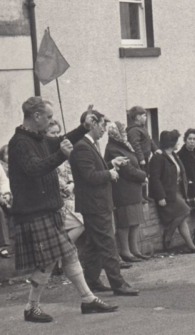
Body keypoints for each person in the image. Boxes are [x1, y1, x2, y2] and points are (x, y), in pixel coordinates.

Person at [8, 97, 117, 322]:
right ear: (36, 116)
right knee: (51, 260)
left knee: (67, 255)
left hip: (46, 209)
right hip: (34, 211)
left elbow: (60, 141)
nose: (50, 121)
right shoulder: (20, 142)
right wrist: (61, 156)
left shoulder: (36, 138)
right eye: (48, 117)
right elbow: (34, 169)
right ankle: (32, 307)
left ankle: (87, 299)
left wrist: (83, 128)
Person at [68, 109, 139, 297]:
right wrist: (110, 173)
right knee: (108, 244)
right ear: (92, 124)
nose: (105, 129)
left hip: (96, 203)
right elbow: (89, 176)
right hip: (95, 204)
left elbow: (92, 171)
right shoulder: (83, 146)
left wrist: (111, 164)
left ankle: (92, 281)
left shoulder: (89, 144)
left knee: (94, 244)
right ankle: (118, 284)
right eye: (102, 124)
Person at [149, 130, 195, 253]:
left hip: (178, 191)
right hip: (168, 193)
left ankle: (191, 246)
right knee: (186, 211)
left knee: (182, 218)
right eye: (176, 141)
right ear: (171, 142)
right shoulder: (158, 157)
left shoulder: (174, 155)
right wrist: (160, 196)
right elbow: (155, 178)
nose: (178, 143)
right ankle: (168, 234)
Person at [104, 122, 149, 262]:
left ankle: (134, 249)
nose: (125, 134)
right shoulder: (113, 148)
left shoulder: (124, 145)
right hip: (123, 190)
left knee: (135, 221)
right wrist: (143, 176)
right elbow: (127, 169)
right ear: (116, 133)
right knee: (125, 222)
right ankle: (125, 251)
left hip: (132, 189)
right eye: (122, 131)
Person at [46, 120, 84, 245]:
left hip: (69, 195)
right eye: (53, 133)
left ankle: (61, 253)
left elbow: (71, 171)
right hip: (56, 198)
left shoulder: (64, 152)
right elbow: (49, 172)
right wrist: (64, 186)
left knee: (82, 222)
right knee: (80, 222)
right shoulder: (45, 153)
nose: (56, 136)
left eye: (58, 133)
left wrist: (72, 183)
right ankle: (61, 251)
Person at [127, 106, 159, 202]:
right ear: (137, 117)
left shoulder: (142, 128)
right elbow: (135, 145)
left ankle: (145, 195)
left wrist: (155, 150)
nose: (146, 118)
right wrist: (141, 159)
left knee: (145, 176)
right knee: (140, 177)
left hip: (146, 157)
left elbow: (149, 140)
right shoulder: (134, 130)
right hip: (139, 159)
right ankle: (140, 196)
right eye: (144, 116)